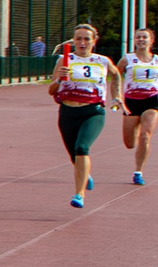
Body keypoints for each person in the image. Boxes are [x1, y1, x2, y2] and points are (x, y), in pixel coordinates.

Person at [48, 22, 117, 208]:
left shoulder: (102, 61)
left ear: (94, 41)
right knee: (74, 155)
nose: (82, 42)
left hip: (92, 111)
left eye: (86, 39)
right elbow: (51, 90)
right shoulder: (64, 60)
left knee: (82, 147)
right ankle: (85, 175)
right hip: (68, 111)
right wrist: (59, 79)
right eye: (78, 38)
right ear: (73, 40)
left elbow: (116, 75)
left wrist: (117, 97)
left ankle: (79, 195)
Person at [118, 28, 158, 185]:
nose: (141, 40)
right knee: (130, 143)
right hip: (131, 101)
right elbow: (115, 75)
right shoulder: (127, 59)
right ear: (134, 40)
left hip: (151, 101)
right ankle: (135, 140)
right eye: (138, 37)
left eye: (144, 37)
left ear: (151, 41)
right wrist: (117, 95)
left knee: (145, 135)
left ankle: (138, 171)